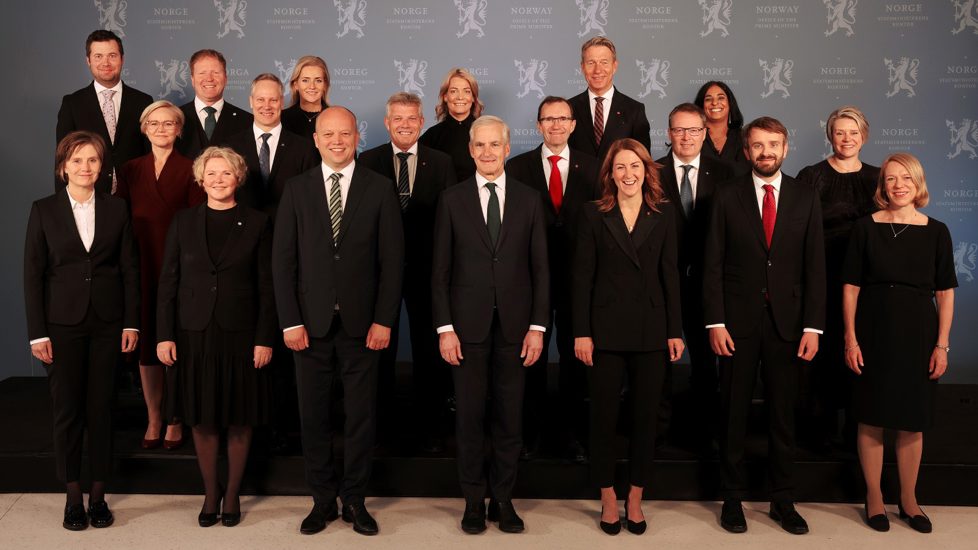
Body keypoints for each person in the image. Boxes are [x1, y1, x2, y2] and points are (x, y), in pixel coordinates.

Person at [273, 106, 404, 537]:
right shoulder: (296, 189)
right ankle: (322, 500)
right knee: (313, 418)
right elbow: (283, 262)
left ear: (356, 137)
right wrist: (290, 322)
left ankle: (355, 500)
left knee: (361, 418)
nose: (336, 141)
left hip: (363, 328)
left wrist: (384, 320)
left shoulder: (379, 188)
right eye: (328, 134)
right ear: (316, 140)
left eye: (344, 133)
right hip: (308, 328)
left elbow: (392, 262)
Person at [703, 116, 825, 535]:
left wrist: (813, 327)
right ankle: (731, 498)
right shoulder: (726, 195)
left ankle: (782, 499)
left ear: (785, 148)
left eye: (773, 144)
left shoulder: (806, 196)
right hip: (736, 324)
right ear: (746, 150)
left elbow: (815, 266)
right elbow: (712, 264)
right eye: (758, 145)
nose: (766, 152)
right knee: (732, 413)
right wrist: (715, 322)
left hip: (789, 325)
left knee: (782, 416)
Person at [432, 115, 549, 535]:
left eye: (494, 144)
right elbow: (440, 271)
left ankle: (503, 498)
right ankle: (472, 501)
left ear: (507, 147)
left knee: (509, 417)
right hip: (465, 330)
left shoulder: (529, 199)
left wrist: (538, 327)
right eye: (479, 145)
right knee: (468, 418)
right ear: (470, 150)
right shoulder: (452, 199)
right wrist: (445, 328)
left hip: (517, 329)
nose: (487, 152)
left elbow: (541, 269)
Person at [25, 131, 140, 530]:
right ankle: (73, 495)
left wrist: (131, 321)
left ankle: (98, 496)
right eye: (77, 160)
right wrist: (38, 333)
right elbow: (33, 275)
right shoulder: (43, 210)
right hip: (61, 325)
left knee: (102, 408)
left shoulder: (117, 209)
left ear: (101, 166)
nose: (85, 167)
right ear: (63, 167)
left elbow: (129, 269)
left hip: (108, 323)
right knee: (68, 410)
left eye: (92, 160)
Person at [156, 146, 274, 528]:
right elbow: (168, 282)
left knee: (240, 417)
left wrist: (265, 338)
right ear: (200, 179)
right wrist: (164, 335)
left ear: (238, 178)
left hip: (242, 335)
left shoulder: (257, 222)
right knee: (201, 416)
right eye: (211, 173)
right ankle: (211, 493)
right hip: (194, 333)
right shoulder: (183, 221)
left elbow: (267, 286)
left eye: (226, 173)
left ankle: (233, 493)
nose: (218, 179)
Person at [572, 138, 684, 535]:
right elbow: (582, 277)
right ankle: (607, 497)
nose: (628, 173)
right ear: (610, 174)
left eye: (635, 166)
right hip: (603, 331)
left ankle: (635, 497)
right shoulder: (592, 213)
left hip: (651, 329)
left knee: (645, 418)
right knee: (603, 417)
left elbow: (670, 274)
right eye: (620, 167)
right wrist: (581, 332)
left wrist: (674, 330)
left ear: (646, 171)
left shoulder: (664, 214)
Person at [842, 153, 956, 534]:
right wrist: (850, 338)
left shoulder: (937, 231)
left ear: (918, 182)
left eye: (906, 178)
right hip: (872, 331)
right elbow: (851, 288)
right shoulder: (864, 228)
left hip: (919, 334)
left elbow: (945, 292)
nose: (898, 185)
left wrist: (941, 345)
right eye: (891, 179)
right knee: (871, 416)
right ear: (882, 186)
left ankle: (909, 500)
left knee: (912, 419)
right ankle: (874, 496)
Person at [358, 92, 457, 452]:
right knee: (378, 351)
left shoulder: (442, 163)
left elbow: (450, 221)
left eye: (411, 118)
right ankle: (380, 429)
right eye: (397, 118)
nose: (404, 124)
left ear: (422, 122)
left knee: (429, 351)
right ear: (387, 123)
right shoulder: (367, 161)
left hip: (426, 271)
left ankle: (431, 428)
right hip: (378, 272)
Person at [505, 96, 600, 461]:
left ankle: (571, 435)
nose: (556, 125)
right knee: (532, 359)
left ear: (573, 125)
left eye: (563, 119)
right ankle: (532, 435)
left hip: (579, 279)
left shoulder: (594, 168)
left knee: (576, 361)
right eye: (548, 119)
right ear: (539, 125)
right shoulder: (517, 167)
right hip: (530, 279)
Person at [117, 100, 205, 451]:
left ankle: (175, 416)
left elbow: (197, 224)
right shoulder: (130, 169)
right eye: (154, 123)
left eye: (169, 123)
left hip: (179, 267)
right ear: (144, 129)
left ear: (179, 130)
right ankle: (154, 416)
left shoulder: (192, 167)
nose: (161, 129)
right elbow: (120, 219)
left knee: (175, 342)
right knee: (148, 345)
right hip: (140, 264)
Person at [797, 106, 879, 452]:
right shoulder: (811, 176)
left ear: (864, 136)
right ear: (830, 136)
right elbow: (797, 229)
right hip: (823, 277)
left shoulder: (879, 177)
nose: (847, 139)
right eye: (840, 132)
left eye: (853, 132)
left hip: (867, 282)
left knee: (862, 353)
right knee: (824, 356)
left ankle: (859, 434)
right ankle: (819, 432)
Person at [655, 103, 732, 454]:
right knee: (659, 362)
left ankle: (705, 433)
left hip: (709, 284)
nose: (686, 137)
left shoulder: (728, 174)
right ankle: (659, 434)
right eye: (679, 130)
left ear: (705, 133)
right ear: (669, 133)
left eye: (694, 130)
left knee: (706, 362)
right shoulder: (651, 173)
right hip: (662, 282)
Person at [56, 30, 153, 195]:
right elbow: (62, 158)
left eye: (112, 56)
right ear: (88, 60)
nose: (105, 62)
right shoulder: (72, 103)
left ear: (122, 59)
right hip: (89, 196)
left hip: (135, 195)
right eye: (98, 56)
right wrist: (62, 202)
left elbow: (151, 156)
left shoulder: (143, 101)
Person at [225, 73, 318, 220]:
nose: (267, 106)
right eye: (260, 99)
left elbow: (311, 198)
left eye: (273, 100)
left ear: (281, 102)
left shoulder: (303, 148)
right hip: (243, 228)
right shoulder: (230, 147)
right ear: (251, 101)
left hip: (289, 229)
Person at [567, 36, 652, 162]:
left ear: (614, 66)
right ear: (582, 67)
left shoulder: (634, 110)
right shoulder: (568, 108)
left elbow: (643, 161)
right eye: (591, 63)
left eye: (604, 62)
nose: (598, 70)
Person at [176, 49, 253, 160]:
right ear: (192, 79)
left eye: (216, 73)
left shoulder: (247, 121)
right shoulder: (175, 118)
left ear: (225, 78)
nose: (209, 79)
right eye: (202, 73)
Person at [419, 68, 484, 182]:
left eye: (466, 91)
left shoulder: (486, 132)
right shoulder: (431, 136)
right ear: (445, 96)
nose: (460, 97)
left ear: (473, 97)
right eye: (454, 91)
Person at [694, 81, 751, 177]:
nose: (715, 103)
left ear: (730, 103)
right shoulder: (691, 137)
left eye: (721, 98)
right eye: (708, 99)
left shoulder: (745, 138)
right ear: (701, 106)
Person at [281, 55, 330, 149]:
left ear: (325, 85)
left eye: (318, 80)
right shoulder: (281, 119)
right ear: (295, 85)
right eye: (305, 80)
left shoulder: (336, 118)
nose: (312, 86)